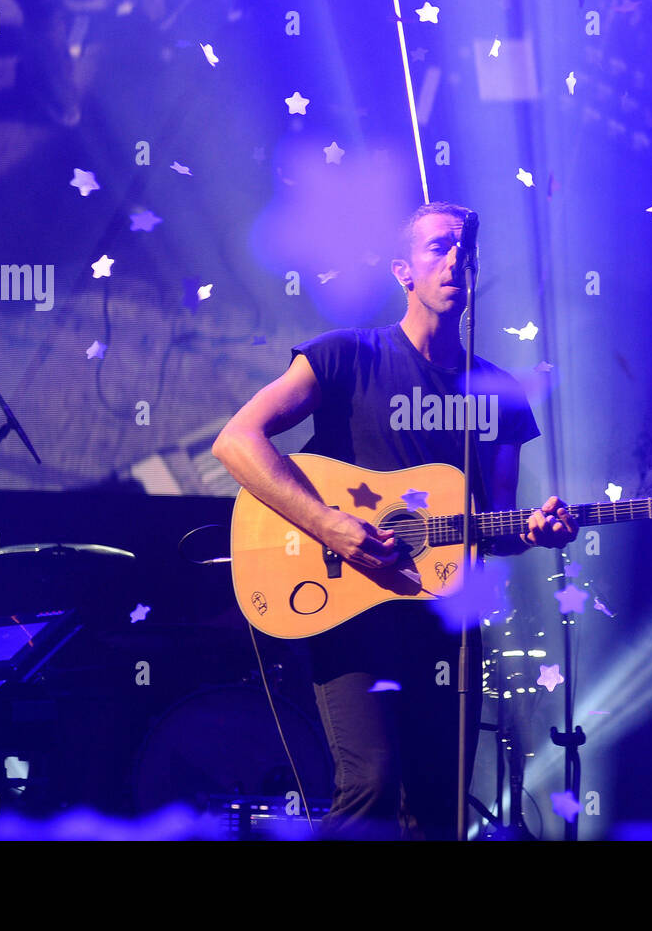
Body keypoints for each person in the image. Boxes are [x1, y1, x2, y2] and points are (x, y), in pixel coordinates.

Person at [212, 200, 577, 839]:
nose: (455, 259)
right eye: (437, 247)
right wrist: (330, 525)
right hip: (349, 609)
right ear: (403, 271)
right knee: (372, 783)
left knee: (439, 803)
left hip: (445, 620)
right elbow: (238, 441)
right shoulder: (344, 356)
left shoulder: (500, 394)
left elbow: (493, 524)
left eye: (465, 249)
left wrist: (532, 531)